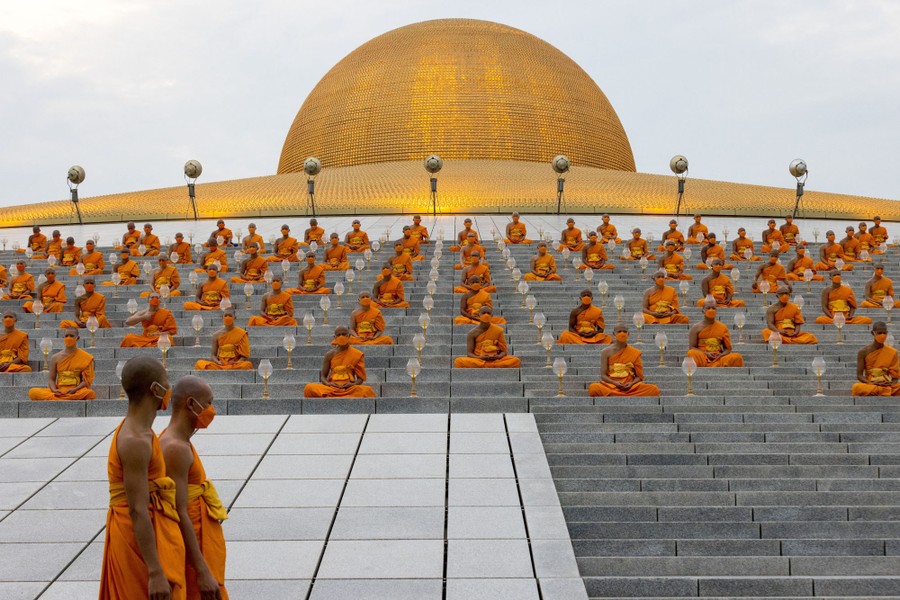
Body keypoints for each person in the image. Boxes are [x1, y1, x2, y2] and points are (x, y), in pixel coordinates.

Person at [99, 356, 185, 600]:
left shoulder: (143, 432)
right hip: (136, 542)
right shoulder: (134, 440)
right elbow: (137, 509)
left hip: (149, 533)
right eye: (166, 384)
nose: (169, 389)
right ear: (155, 389)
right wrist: (155, 571)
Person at [159, 376, 229, 600]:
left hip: (201, 535)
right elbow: (179, 511)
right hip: (193, 543)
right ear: (191, 404)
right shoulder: (175, 447)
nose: (211, 410)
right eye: (207, 403)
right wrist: (202, 570)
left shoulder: (181, 441)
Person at [589, 324, 660, 396]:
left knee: (654, 389)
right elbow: (603, 375)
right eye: (619, 331)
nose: (622, 333)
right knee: (594, 388)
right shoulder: (606, 352)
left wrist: (631, 383)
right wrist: (615, 383)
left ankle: (615, 395)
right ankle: (620, 394)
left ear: (628, 334)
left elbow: (639, 376)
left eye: (624, 331)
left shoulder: (634, 352)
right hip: (612, 385)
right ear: (614, 334)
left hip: (630, 387)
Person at [304, 327, 377, 397]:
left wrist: (352, 384)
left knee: (368, 390)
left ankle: (334, 396)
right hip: (332, 388)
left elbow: (360, 379)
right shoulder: (330, 354)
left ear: (348, 336)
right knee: (309, 388)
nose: (341, 336)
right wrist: (329, 384)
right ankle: (338, 395)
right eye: (338, 335)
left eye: (344, 334)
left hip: (349, 388)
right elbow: (323, 376)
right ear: (334, 337)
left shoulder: (357, 354)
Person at [28, 328, 96, 400]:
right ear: (63, 338)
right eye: (66, 336)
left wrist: (75, 389)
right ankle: (66, 399)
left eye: (71, 336)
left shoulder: (85, 357)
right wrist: (54, 390)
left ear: (77, 338)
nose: (68, 338)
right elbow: (51, 379)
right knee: (33, 392)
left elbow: (87, 380)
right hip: (59, 390)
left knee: (90, 394)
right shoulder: (55, 357)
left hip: (76, 390)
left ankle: (63, 399)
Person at [453, 306, 521, 368]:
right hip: (479, 359)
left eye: (488, 313)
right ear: (479, 315)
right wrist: (480, 357)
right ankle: (491, 366)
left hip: (495, 359)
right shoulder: (472, 333)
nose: (486, 315)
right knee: (458, 361)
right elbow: (469, 353)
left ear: (491, 316)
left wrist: (498, 356)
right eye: (483, 313)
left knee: (516, 360)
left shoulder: (498, 330)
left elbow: (504, 351)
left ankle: (488, 365)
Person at [686, 299, 744, 367]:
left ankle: (715, 365)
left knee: (737, 357)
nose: (711, 310)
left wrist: (721, 355)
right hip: (703, 356)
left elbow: (728, 349)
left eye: (713, 308)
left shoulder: (722, 327)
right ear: (703, 311)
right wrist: (706, 353)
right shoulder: (696, 327)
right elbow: (692, 347)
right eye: (708, 308)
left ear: (716, 311)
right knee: (691, 353)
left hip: (718, 357)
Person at [852, 321, 900, 396]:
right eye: (879, 333)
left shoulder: (892, 352)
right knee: (857, 387)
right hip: (871, 383)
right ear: (873, 333)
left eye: (884, 333)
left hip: (886, 383)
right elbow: (859, 375)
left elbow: (895, 377)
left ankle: (882, 391)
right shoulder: (863, 352)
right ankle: (884, 392)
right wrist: (871, 383)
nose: (882, 335)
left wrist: (890, 384)